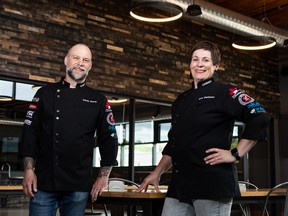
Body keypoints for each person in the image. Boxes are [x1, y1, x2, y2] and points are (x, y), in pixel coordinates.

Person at [137, 41, 270, 216]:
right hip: (180, 187)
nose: (199, 64)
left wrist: (235, 153)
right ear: (190, 64)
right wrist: (157, 173)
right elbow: (175, 143)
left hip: (212, 185)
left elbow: (259, 115)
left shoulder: (225, 92)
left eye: (206, 60)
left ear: (216, 66)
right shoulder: (181, 100)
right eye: (195, 59)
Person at [20, 43, 118, 216]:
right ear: (66, 61)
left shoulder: (98, 100)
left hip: (78, 185)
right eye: (76, 57)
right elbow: (30, 133)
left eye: (85, 60)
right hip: (43, 183)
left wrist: (103, 176)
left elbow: (109, 138)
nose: (80, 63)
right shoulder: (44, 93)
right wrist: (28, 170)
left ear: (90, 66)